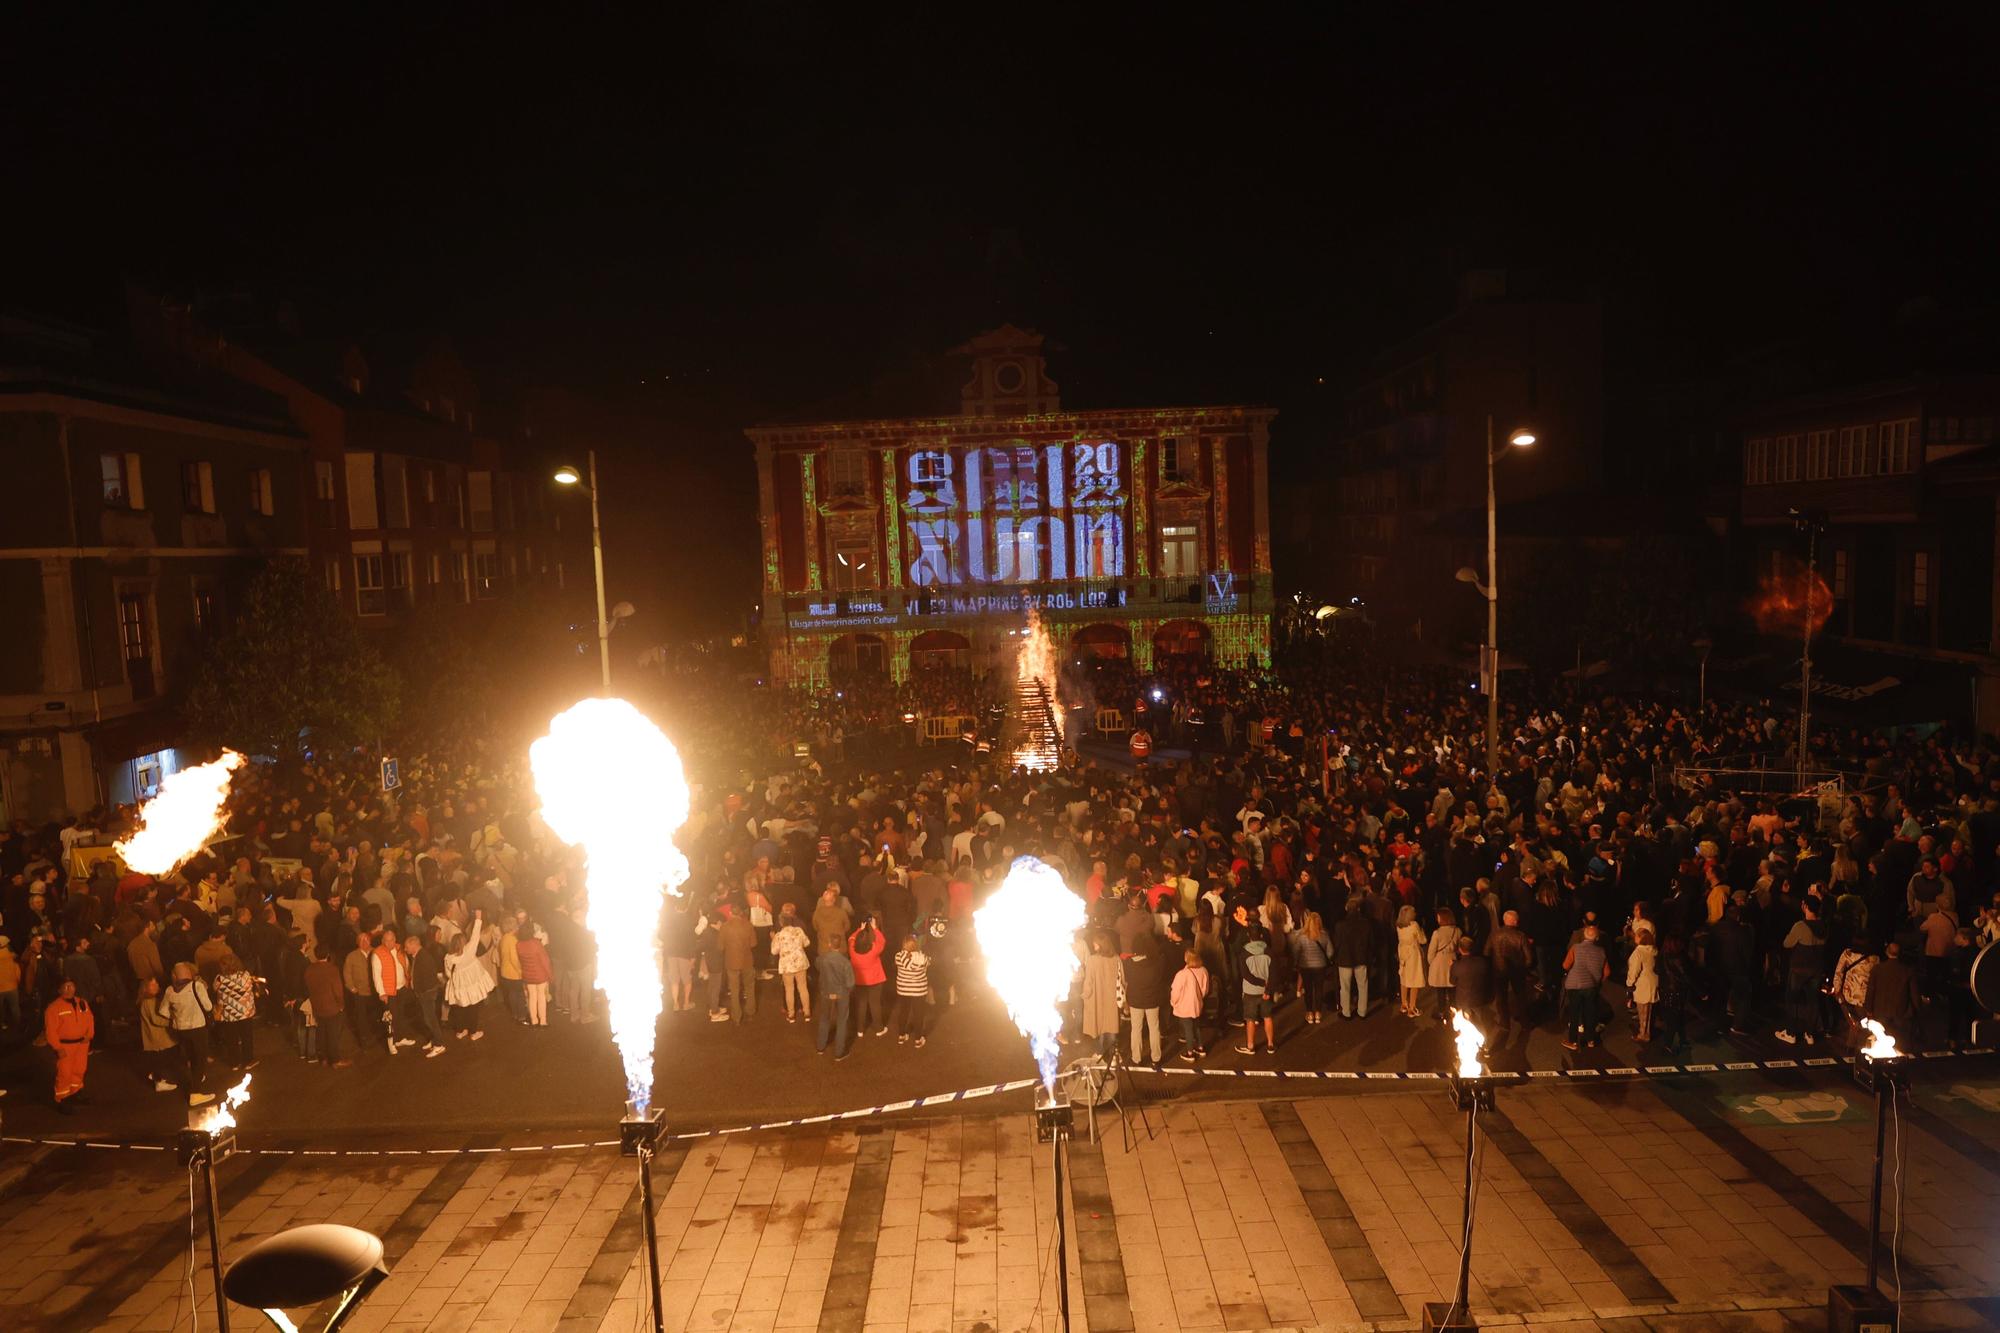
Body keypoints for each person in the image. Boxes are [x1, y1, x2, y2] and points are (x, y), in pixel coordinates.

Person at [159, 962, 218, 1101]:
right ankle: (195, 1093)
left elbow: (163, 1011)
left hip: (180, 1029)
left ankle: (196, 1078)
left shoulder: (169, 990)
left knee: (191, 1056)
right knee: (200, 1058)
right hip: (197, 1027)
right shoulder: (196, 986)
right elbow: (208, 1006)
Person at [1773, 898, 1828, 1047]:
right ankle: (1809, 1034)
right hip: (1816, 969)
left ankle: (1790, 1033)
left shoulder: (1800, 926)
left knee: (1792, 999)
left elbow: (1787, 943)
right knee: (1812, 1000)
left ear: (1805, 906)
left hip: (1799, 969)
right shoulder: (1824, 925)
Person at [44, 977, 94, 1112]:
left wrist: (89, 1036)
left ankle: (75, 1093)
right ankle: (61, 1099)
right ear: (59, 990)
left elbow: (90, 1019)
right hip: (65, 1046)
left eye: (71, 986)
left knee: (79, 1069)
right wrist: (57, 1047)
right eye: (65, 987)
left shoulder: (82, 1003)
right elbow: (51, 1031)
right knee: (64, 1073)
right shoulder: (53, 1008)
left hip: (81, 1044)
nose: (69, 989)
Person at [1560, 923, 1610, 1051]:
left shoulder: (1575, 948)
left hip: (1574, 985)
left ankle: (1573, 1041)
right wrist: (1598, 982)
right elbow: (1607, 972)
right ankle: (1590, 1040)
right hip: (1591, 986)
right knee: (1590, 1012)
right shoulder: (1601, 951)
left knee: (1574, 1013)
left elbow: (1565, 965)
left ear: (1584, 936)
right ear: (1597, 938)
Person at [444, 917, 494, 1039]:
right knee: (473, 1008)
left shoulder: (448, 957)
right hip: (471, 986)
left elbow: (448, 974)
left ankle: (461, 1030)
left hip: (459, 987)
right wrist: (478, 919)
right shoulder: (469, 952)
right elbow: (475, 935)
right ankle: (473, 1032)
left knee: (461, 1008)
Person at [1123, 938, 1170, 1063]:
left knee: (1136, 1029)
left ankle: (1136, 1058)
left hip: (1135, 1001)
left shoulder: (1129, 964)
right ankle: (1156, 1057)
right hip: (1152, 1000)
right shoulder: (1156, 964)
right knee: (1154, 1028)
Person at [303, 947, 351, 1068]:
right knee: (333, 1034)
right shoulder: (332, 969)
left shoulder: (309, 969)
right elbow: (338, 990)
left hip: (317, 1005)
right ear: (328, 955)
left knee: (321, 1032)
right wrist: (341, 1004)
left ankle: (323, 1058)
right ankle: (335, 1060)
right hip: (332, 1006)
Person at [211, 954, 259, 1071]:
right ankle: (248, 1061)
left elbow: (214, 990)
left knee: (231, 1039)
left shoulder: (219, 979)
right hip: (245, 1012)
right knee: (247, 1037)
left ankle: (234, 1063)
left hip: (228, 1014)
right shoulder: (245, 975)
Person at [404, 934, 448, 1056]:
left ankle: (439, 1045)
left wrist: (419, 992)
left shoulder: (423, 957)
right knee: (427, 1018)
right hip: (424, 993)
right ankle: (433, 1040)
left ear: (414, 945)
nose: (405, 949)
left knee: (431, 1019)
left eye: (407, 946)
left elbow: (428, 978)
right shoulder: (419, 955)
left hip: (426, 993)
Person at [1081, 932, 1122, 1061]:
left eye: (1095, 944)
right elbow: (1122, 980)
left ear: (1099, 945)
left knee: (1099, 1028)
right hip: (1111, 1000)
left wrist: (1083, 995)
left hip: (1097, 1000)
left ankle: (1099, 1052)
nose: (1093, 946)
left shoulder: (1092, 960)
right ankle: (1114, 1054)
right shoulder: (1116, 959)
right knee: (1111, 1027)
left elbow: (1089, 983)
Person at [137, 977, 181, 1090]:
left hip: (157, 1036)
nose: (156, 985)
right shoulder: (149, 1001)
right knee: (164, 1058)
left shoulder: (149, 1000)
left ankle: (158, 1078)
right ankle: (159, 1080)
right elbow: (156, 1019)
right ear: (145, 988)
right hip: (158, 1036)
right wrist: (173, 1021)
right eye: (152, 984)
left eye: (156, 983)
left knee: (162, 1058)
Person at [815, 939, 855, 1060]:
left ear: (829, 944)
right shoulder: (845, 962)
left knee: (824, 1019)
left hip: (825, 992)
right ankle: (839, 1052)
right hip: (841, 994)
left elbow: (818, 967)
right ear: (840, 946)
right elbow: (850, 982)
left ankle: (820, 1047)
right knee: (842, 1021)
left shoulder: (821, 959)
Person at [1331, 901, 1371, 1021]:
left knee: (1345, 987)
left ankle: (1346, 1012)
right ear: (1358, 909)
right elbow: (1370, 942)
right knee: (1362, 985)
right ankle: (1362, 1011)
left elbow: (1336, 944)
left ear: (1346, 909)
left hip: (1345, 959)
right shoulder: (1366, 924)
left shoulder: (1340, 925)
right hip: (1361, 958)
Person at [849, 915, 888, 1038]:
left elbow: (851, 938)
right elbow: (882, 941)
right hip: (875, 981)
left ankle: (860, 1030)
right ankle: (879, 1029)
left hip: (859, 981)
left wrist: (859, 930)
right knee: (875, 1004)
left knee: (861, 1004)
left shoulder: (852, 951)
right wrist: (875, 928)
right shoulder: (874, 951)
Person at [1237, 933, 1276, 1055]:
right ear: (1261, 935)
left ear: (1248, 935)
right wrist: (1267, 988)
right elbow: (1274, 973)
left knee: (1250, 1020)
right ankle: (1270, 1044)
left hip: (1250, 991)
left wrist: (1259, 982)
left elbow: (1245, 975)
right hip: (1266, 992)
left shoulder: (1244, 953)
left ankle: (1250, 1046)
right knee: (1268, 1017)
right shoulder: (1269, 951)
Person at [719, 905, 758, 1023]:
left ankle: (736, 1017)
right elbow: (754, 944)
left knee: (734, 990)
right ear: (741, 913)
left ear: (730, 913)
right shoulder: (748, 925)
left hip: (731, 962)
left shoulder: (725, 927)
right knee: (749, 987)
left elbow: (720, 947)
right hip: (747, 960)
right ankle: (750, 1012)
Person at [891, 935, 932, 1047]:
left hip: (903, 989)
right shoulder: (922, 958)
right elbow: (929, 962)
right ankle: (918, 1039)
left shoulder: (898, 956)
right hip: (918, 990)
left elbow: (903, 963)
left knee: (903, 1012)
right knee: (918, 1014)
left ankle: (901, 1035)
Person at [1291, 911, 1331, 1025]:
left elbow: (1295, 952)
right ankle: (1318, 1012)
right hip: (1320, 966)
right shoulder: (1324, 935)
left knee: (1308, 990)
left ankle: (1309, 1013)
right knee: (1319, 989)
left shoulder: (1302, 937)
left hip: (1306, 966)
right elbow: (1330, 952)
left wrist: (1296, 962)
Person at [1171, 947, 1210, 1060]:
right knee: (1196, 1026)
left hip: (1184, 1006)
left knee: (1188, 1029)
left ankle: (1190, 1053)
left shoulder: (1182, 974)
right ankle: (1200, 1047)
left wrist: (1173, 1002)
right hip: (1198, 1004)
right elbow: (1205, 989)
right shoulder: (1204, 971)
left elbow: (1175, 992)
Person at [1425, 907, 1462, 1022]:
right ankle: (1453, 1011)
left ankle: (1442, 1011)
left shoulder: (1437, 933)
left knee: (1440, 991)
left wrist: (1432, 962)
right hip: (1452, 960)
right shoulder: (1457, 931)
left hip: (1439, 962)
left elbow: (1431, 951)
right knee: (1452, 989)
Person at [1626, 928, 1659, 1044]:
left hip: (1643, 984)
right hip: (1653, 982)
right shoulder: (1653, 950)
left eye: (1637, 935)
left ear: (1642, 938)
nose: (1635, 937)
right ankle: (1647, 1032)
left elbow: (1634, 970)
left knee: (1643, 1012)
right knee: (1649, 1011)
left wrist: (1629, 983)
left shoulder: (1638, 953)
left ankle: (1643, 1034)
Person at [518, 925, 553, 1027]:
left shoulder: (519, 945)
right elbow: (545, 961)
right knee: (541, 997)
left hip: (527, 975)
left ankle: (534, 1020)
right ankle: (543, 1021)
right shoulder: (536, 943)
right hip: (540, 975)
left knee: (532, 997)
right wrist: (550, 975)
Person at [1396, 904, 1427, 1018]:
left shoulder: (1399, 926)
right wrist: (1422, 931)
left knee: (1404, 978)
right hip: (1413, 954)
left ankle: (1404, 1004)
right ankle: (1412, 1008)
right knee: (1415, 980)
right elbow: (1422, 940)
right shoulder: (1414, 925)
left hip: (1402, 953)